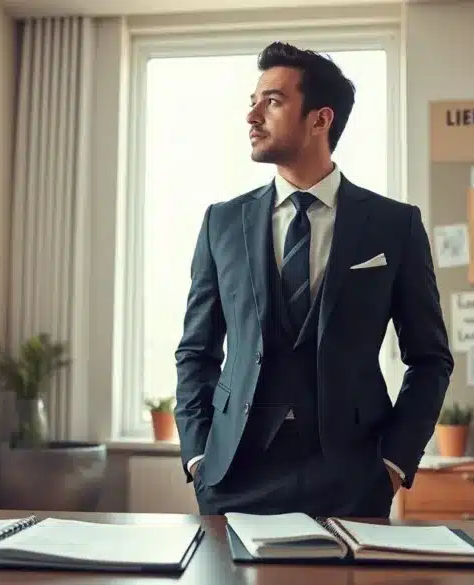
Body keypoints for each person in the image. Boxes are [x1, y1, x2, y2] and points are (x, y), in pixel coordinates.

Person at [174, 41, 453, 517]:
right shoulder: (221, 222)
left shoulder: (394, 225)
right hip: (234, 474)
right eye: (253, 102)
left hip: (351, 476)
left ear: (320, 119)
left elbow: (429, 359)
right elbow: (196, 351)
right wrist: (199, 454)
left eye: (273, 101)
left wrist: (393, 462)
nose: (252, 116)